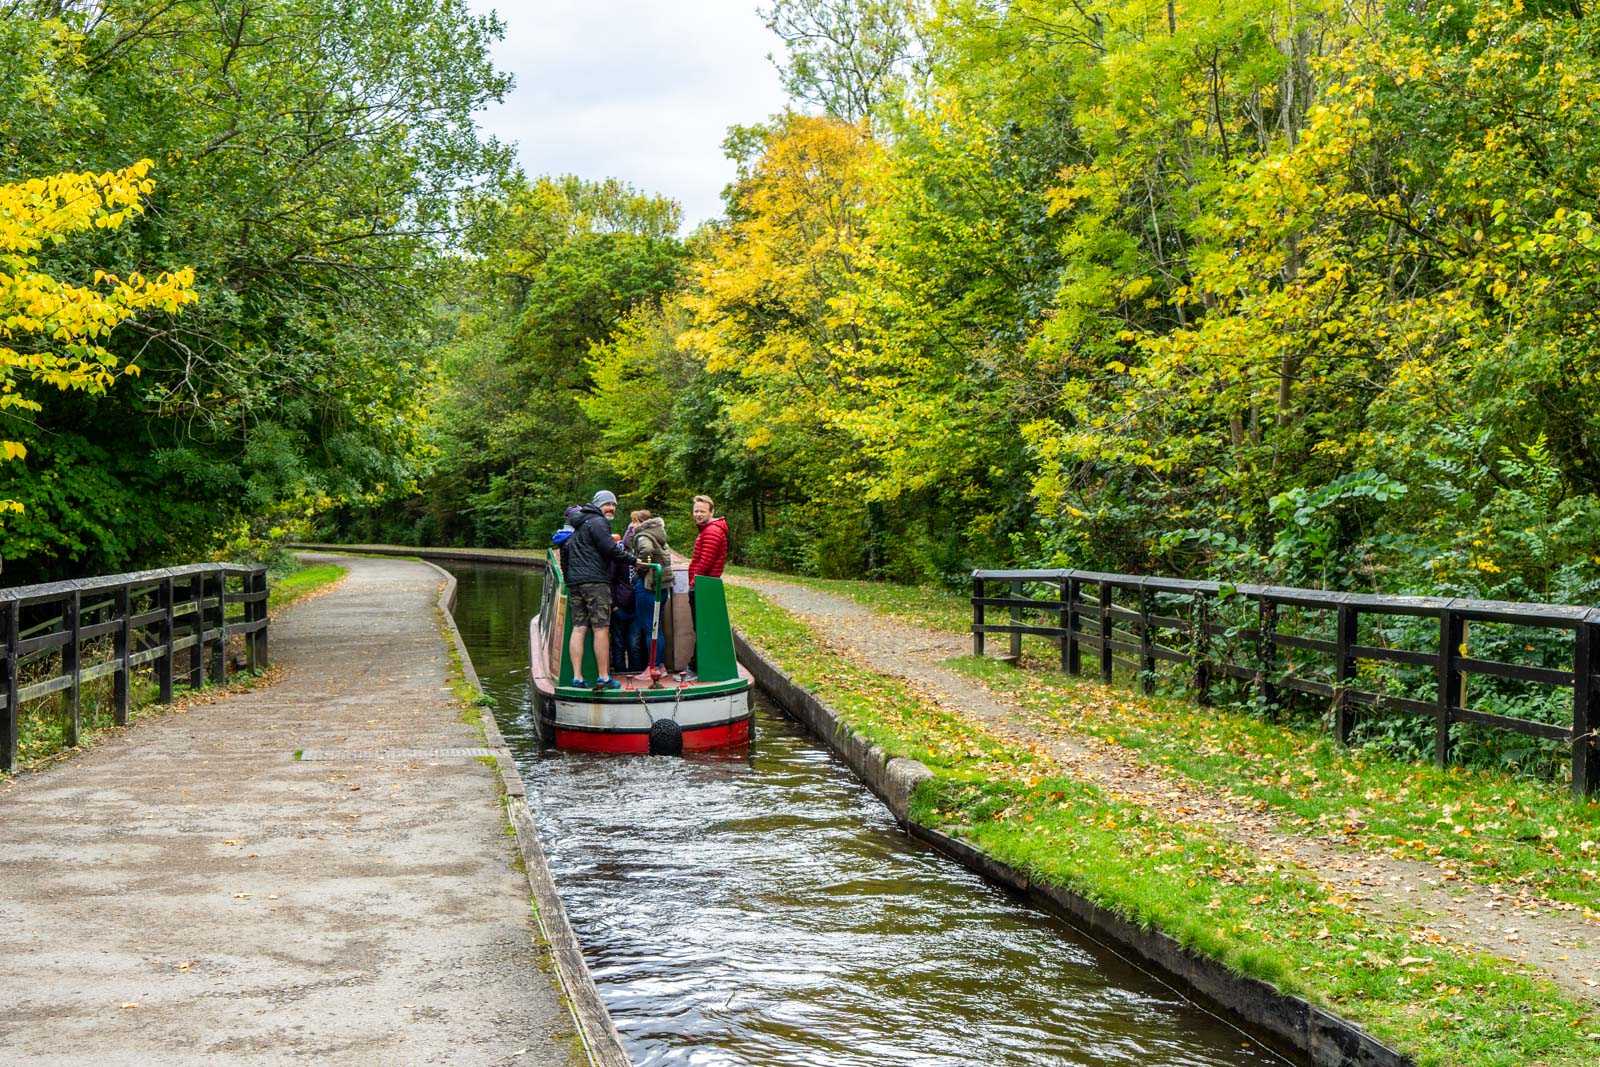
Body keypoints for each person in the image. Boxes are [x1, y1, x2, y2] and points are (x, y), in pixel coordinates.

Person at [563, 490, 637, 690]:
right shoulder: (598, 522)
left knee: (579, 628)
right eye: (607, 504)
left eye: (613, 504)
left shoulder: (579, 523)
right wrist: (634, 561)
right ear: (598, 505)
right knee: (601, 628)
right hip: (595, 582)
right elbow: (610, 549)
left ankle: (577, 677)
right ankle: (604, 677)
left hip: (576, 583)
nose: (611, 508)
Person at [686, 495, 728, 673]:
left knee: (702, 628)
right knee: (703, 627)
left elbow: (705, 562)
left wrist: (694, 583)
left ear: (711, 512)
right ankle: (698, 665)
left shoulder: (711, 531)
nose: (698, 514)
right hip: (705, 585)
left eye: (702, 511)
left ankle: (697, 667)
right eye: (696, 511)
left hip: (704, 587)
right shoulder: (709, 530)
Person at [628, 510, 672, 673]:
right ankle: (660, 666)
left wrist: (639, 568)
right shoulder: (658, 535)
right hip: (662, 586)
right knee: (656, 628)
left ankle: (652, 668)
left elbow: (646, 551)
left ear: (640, 522)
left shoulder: (642, 536)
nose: (632, 525)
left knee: (649, 629)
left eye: (634, 521)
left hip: (647, 586)